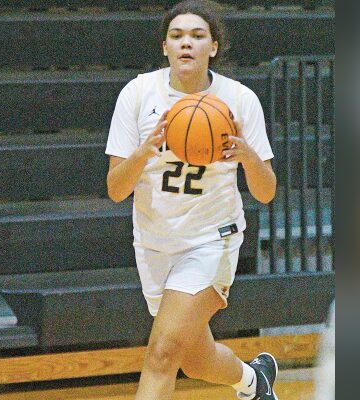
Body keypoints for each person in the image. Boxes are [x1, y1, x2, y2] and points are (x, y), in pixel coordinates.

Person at [105, 1, 278, 399]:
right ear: (164, 46)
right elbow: (116, 189)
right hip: (154, 241)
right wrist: (144, 152)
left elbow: (266, 192)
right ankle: (253, 381)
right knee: (194, 361)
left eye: (198, 36)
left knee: (162, 354)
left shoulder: (239, 99)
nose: (187, 44)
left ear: (213, 47)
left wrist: (248, 156)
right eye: (177, 36)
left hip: (211, 239)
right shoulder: (138, 93)